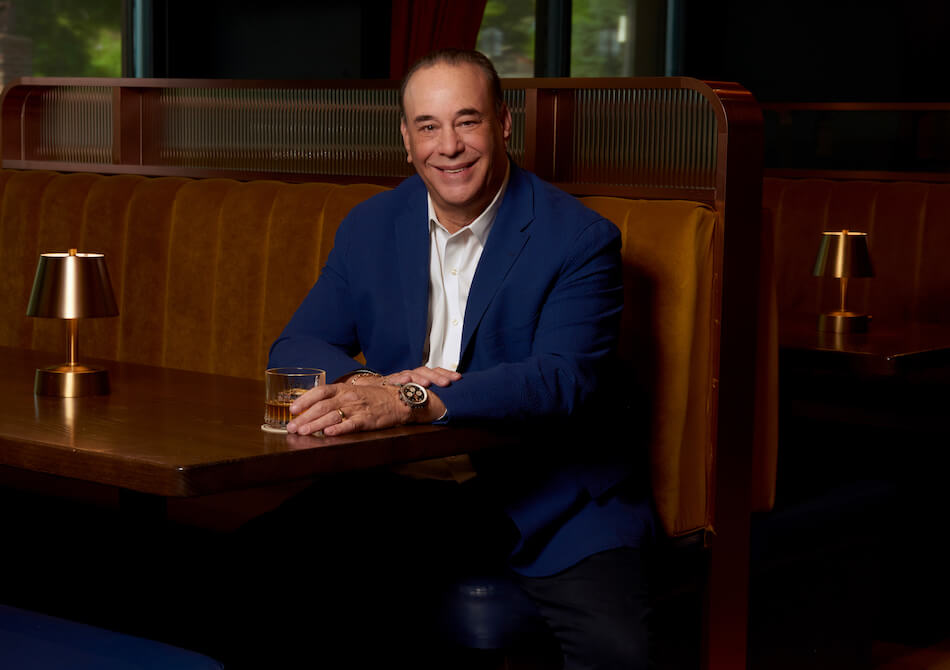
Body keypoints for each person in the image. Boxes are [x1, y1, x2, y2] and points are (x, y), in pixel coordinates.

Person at [257, 48, 654, 670]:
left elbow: (562, 378)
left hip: (544, 495)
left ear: (503, 124)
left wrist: (416, 398)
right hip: (404, 491)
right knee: (249, 577)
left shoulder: (579, 237)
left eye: (467, 121)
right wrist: (373, 385)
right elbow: (296, 345)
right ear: (407, 140)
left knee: (617, 651)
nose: (449, 146)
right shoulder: (370, 225)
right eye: (428, 126)